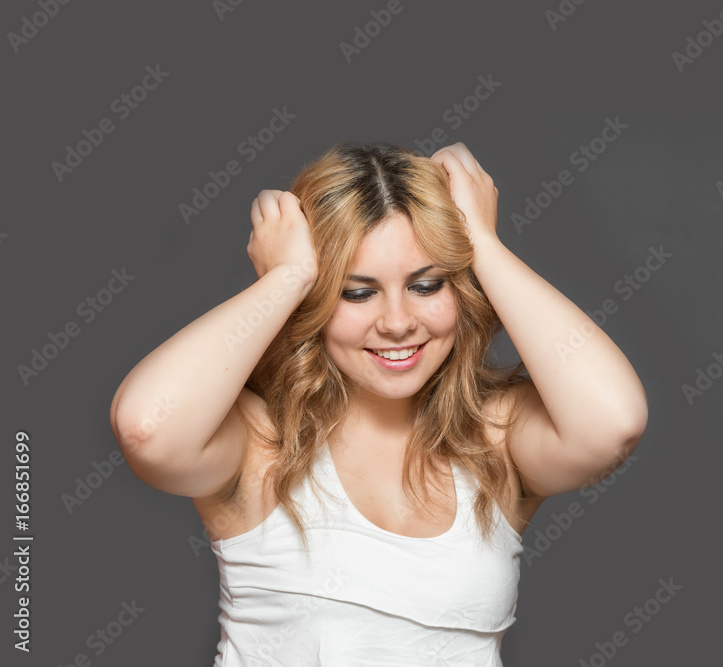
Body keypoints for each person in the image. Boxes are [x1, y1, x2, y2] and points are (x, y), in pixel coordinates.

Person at [109, 141, 648, 665]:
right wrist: (287, 276)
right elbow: (147, 429)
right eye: (357, 291)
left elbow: (613, 423)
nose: (396, 322)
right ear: (314, 299)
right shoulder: (258, 443)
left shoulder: (495, 441)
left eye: (428, 284)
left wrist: (483, 244)